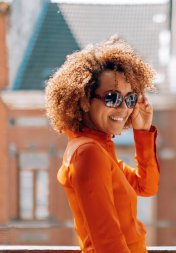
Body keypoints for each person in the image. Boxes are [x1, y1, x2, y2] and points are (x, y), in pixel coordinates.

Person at [45, 37, 160, 253]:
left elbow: (147, 186)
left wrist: (142, 133)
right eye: (112, 98)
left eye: (130, 99)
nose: (124, 108)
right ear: (84, 100)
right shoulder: (88, 152)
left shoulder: (99, 148)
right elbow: (107, 242)